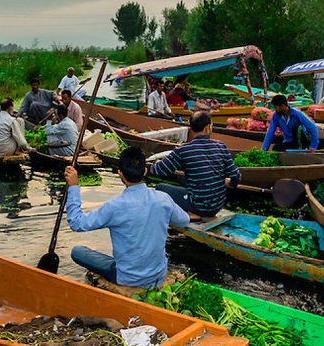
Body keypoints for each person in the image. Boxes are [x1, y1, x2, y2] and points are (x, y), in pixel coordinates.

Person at [65, 148, 190, 288]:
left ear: (120, 173)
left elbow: (76, 222)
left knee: (77, 251)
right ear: (145, 171)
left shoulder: (114, 206)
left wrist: (74, 186)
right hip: (157, 275)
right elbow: (184, 220)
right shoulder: (163, 199)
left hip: (127, 278)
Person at [150, 112, 241, 220]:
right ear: (208, 128)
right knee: (181, 176)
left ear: (191, 129)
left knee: (160, 187)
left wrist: (152, 165)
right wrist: (230, 183)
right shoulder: (221, 146)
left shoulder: (183, 150)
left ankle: (193, 214)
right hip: (218, 205)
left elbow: (158, 170)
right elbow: (236, 176)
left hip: (199, 206)